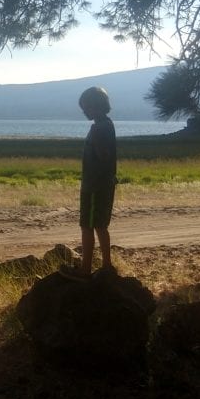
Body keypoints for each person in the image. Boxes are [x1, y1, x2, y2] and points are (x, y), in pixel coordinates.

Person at [72, 86, 116, 277]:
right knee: (100, 226)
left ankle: (85, 269)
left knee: (87, 226)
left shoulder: (99, 128)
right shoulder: (107, 124)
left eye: (86, 108)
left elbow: (103, 156)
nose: (84, 112)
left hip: (95, 187)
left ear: (96, 106)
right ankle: (107, 266)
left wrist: (96, 143)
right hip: (102, 185)